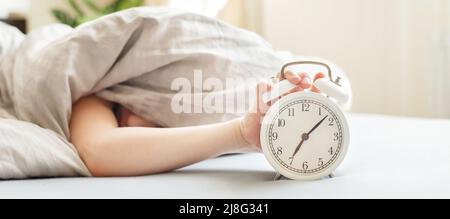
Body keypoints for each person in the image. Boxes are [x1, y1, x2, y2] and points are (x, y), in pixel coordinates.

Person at [70, 70, 327, 177]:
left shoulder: (235, 72)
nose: (137, 121)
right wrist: (238, 134)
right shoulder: (95, 90)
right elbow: (98, 151)